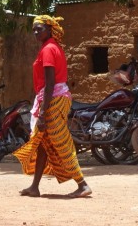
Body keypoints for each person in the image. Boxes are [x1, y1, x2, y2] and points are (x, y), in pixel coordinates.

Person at [13, 15, 92, 198]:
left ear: (49, 29)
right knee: (42, 142)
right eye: (33, 29)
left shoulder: (49, 49)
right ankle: (34, 187)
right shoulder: (51, 47)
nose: (35, 32)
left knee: (60, 141)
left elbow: (50, 83)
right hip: (56, 98)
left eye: (39, 29)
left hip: (53, 99)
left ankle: (82, 184)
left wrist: (42, 114)